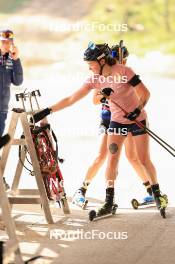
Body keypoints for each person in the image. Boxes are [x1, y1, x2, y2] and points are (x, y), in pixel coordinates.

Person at [32, 42, 167, 215]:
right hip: (117, 122)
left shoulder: (124, 71)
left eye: (91, 64)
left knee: (142, 159)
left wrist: (137, 110)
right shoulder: (95, 80)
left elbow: (145, 93)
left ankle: (157, 195)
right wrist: (47, 110)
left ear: (102, 61)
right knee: (111, 160)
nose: (89, 68)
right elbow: (72, 98)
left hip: (137, 119)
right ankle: (109, 201)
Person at [72, 43, 153, 208]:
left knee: (132, 157)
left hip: (127, 120)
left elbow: (140, 95)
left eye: (124, 60)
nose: (121, 63)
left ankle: (151, 191)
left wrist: (136, 110)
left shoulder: (124, 73)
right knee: (102, 156)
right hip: (110, 120)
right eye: (118, 59)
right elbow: (95, 100)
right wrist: (106, 95)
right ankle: (81, 189)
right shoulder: (103, 75)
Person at [0, 29, 23, 189]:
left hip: (2, 109)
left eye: (9, 41)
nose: (6, 44)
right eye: (3, 41)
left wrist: (17, 59)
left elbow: (18, 81)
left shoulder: (11, 58)